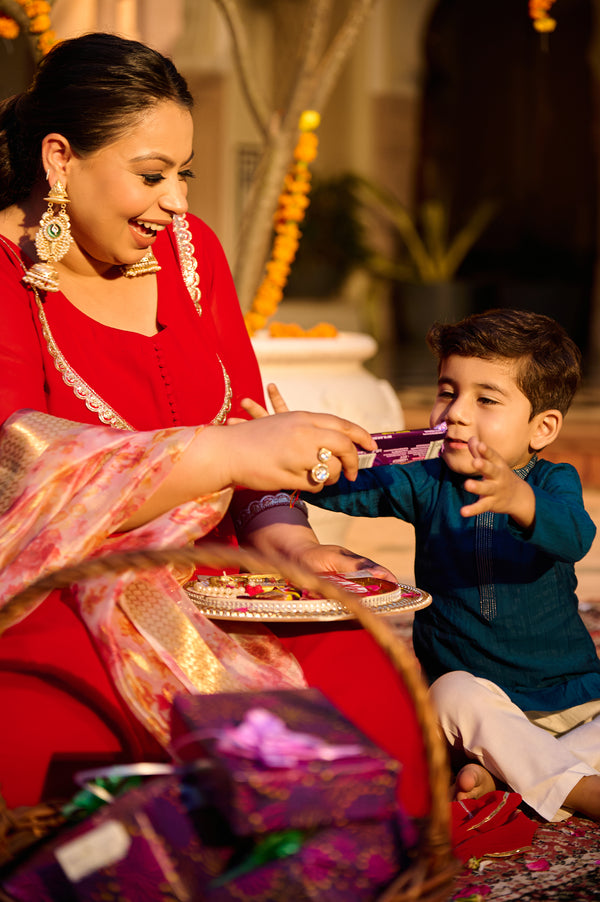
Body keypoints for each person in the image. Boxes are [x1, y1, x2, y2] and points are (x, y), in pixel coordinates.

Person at [0, 32, 432, 814]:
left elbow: (245, 419)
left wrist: (287, 541)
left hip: (218, 578)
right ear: (60, 159)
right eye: (152, 175)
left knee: (372, 688)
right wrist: (230, 453)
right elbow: (21, 469)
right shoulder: (5, 274)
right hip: (55, 591)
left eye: (185, 174)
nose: (177, 202)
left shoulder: (191, 251)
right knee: (64, 737)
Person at [298, 307, 600, 823]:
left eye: (486, 399)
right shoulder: (426, 478)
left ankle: (508, 774)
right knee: (450, 692)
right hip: (474, 712)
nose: (455, 413)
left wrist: (519, 498)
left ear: (542, 427)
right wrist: (305, 455)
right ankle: (578, 791)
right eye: (447, 391)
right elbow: (347, 486)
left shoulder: (553, 482)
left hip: (574, 700)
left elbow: (576, 535)